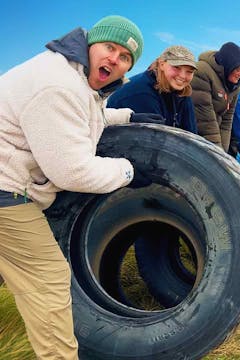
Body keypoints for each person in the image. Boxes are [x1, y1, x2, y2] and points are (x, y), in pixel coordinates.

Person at [0, 15, 146, 359]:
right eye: (110, 48)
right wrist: (127, 171)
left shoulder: (73, 76)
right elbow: (72, 172)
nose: (114, 59)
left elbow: (79, 116)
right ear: (91, 44)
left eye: (125, 57)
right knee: (48, 280)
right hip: (6, 192)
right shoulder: (58, 84)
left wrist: (125, 116)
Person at [107, 45, 198, 133]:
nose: (182, 76)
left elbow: (192, 134)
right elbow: (153, 141)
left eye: (189, 72)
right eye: (176, 68)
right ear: (162, 64)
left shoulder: (181, 92)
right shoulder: (141, 94)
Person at [191, 42, 240, 152]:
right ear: (229, 64)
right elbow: (205, 120)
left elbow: (227, 121)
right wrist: (217, 155)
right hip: (195, 136)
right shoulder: (202, 72)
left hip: (213, 139)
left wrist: (223, 153)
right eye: (238, 70)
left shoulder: (234, 85)